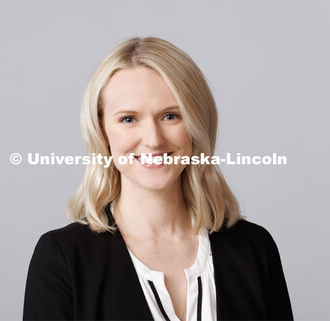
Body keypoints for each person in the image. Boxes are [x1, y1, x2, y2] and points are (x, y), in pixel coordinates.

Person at [23, 37, 294, 321]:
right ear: (102, 132)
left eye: (170, 116)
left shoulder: (254, 247)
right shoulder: (62, 259)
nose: (153, 140)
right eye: (129, 119)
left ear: (197, 125)